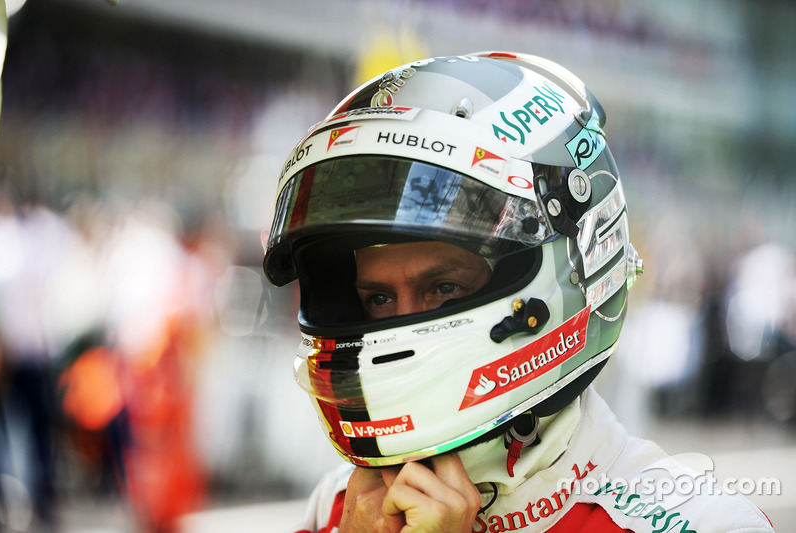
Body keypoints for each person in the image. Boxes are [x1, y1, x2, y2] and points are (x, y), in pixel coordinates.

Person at [262, 52, 776, 532]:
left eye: (444, 288)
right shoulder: (343, 505)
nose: (401, 321)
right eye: (377, 299)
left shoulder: (703, 522)